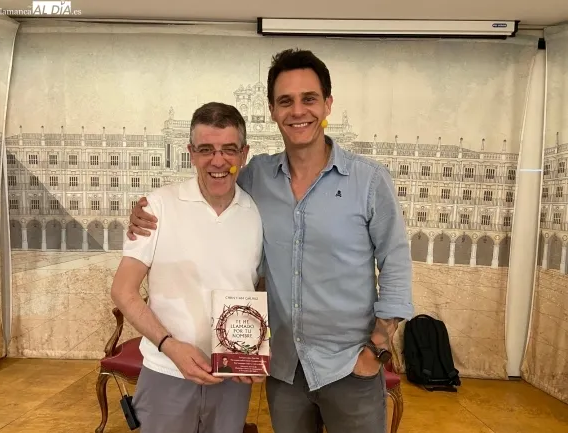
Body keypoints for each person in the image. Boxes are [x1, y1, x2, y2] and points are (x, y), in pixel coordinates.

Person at [127, 49, 414, 433]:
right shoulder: (256, 177)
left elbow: (396, 262)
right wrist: (147, 209)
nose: (298, 111)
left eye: (309, 99)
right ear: (273, 110)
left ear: (327, 104)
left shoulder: (369, 181)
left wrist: (376, 348)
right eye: (286, 101)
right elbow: (213, 180)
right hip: (285, 371)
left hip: (349, 366)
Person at [110, 102, 264, 433]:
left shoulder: (257, 214)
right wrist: (169, 345)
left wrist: (256, 346)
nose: (218, 161)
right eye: (206, 149)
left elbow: (259, 287)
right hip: (167, 370)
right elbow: (123, 291)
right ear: (191, 153)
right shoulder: (157, 207)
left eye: (229, 150)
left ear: (244, 154)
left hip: (232, 377)